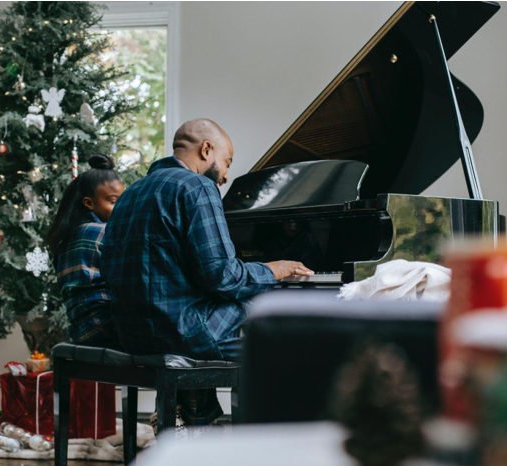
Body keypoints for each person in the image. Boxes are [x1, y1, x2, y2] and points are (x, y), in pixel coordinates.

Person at [101, 119, 312, 424]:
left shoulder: (131, 193)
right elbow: (222, 276)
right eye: (227, 162)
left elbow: (111, 267)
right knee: (284, 329)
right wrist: (273, 269)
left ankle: (196, 422)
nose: (226, 175)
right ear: (206, 149)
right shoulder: (197, 185)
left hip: (133, 335)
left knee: (217, 309)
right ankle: (275, 440)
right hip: (182, 333)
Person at [46, 154, 125, 349]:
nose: (121, 208)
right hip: (106, 328)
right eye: (114, 202)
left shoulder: (65, 237)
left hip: (79, 330)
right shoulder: (104, 232)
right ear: (89, 203)